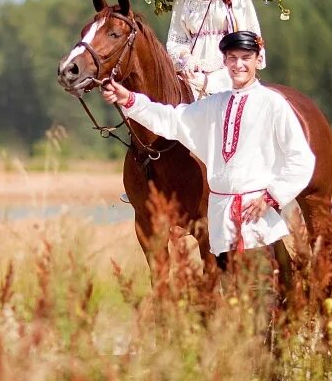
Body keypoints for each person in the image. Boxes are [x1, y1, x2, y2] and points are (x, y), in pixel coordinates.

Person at [102, 30, 314, 273]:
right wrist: (129, 99)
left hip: (256, 223)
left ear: (258, 59)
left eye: (246, 57)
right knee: (233, 301)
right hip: (222, 226)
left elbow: (302, 159)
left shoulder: (273, 104)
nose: (239, 65)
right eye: (232, 58)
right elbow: (171, 119)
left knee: (259, 297)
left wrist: (272, 196)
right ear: (224, 62)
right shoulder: (214, 105)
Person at [166, 0, 265, 100]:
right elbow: (176, 39)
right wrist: (186, 59)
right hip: (191, 72)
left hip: (229, 68)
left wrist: (229, 61)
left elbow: (250, 36)